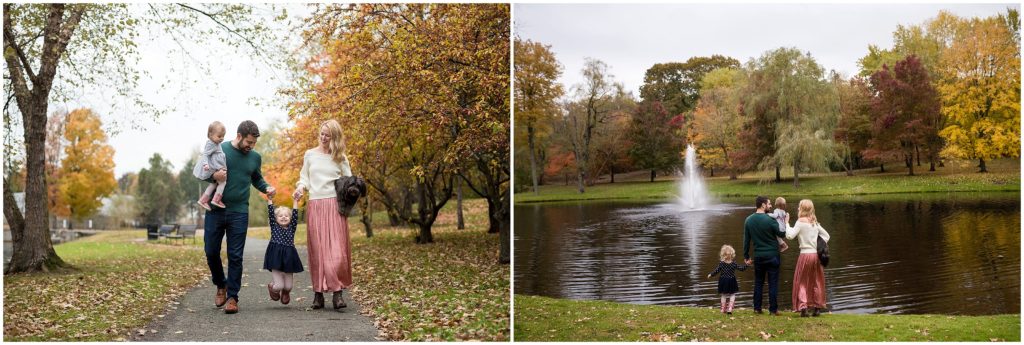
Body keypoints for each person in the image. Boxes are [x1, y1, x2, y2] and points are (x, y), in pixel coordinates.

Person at [203, 120, 276, 314]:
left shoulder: (255, 157)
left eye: (254, 144)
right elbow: (204, 169)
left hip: (239, 212)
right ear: (238, 136)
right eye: (249, 142)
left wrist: (266, 187)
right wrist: (213, 177)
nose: (251, 147)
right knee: (211, 251)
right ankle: (221, 284)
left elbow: (256, 178)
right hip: (215, 209)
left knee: (235, 256)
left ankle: (233, 297)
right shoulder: (220, 149)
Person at [293, 119, 354, 311]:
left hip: (335, 205)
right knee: (318, 251)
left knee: (337, 253)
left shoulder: (341, 157)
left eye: (328, 135)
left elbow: (349, 181)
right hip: (316, 205)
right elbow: (305, 177)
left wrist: (351, 192)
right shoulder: (309, 154)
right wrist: (301, 188)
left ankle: (338, 293)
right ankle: (318, 294)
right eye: (322, 133)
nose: (323, 137)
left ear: (335, 137)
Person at [784, 199, 831, 317]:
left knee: (802, 282)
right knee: (817, 281)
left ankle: (803, 308)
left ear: (802, 208)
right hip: (816, 255)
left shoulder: (800, 222)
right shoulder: (814, 222)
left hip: (805, 255)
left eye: (799, 206)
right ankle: (817, 309)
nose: (798, 208)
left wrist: (786, 223)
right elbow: (826, 236)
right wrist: (818, 243)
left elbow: (790, 235)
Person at [742, 195, 787, 315]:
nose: (771, 206)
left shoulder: (748, 220)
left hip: (758, 257)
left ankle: (757, 308)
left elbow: (746, 241)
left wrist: (746, 256)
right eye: (769, 204)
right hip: (772, 256)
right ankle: (773, 310)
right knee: (773, 283)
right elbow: (781, 234)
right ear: (763, 205)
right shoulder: (770, 220)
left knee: (758, 282)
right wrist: (785, 221)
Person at [263, 199, 303, 305]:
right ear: (276, 219)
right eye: (280, 216)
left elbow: (295, 215)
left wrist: (295, 201)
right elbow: (271, 213)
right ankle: (272, 287)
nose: (284, 217)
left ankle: (285, 293)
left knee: (288, 286)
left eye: (286, 216)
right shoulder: (274, 227)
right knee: (279, 286)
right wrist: (270, 200)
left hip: (289, 258)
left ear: (290, 218)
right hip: (275, 258)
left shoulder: (291, 228)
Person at [193, 121, 228, 210]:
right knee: (223, 182)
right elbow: (205, 154)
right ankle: (216, 199)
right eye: (219, 136)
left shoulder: (216, 143)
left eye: (223, 136)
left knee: (214, 183)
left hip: (216, 166)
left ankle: (203, 200)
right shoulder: (210, 144)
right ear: (210, 135)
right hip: (213, 167)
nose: (222, 138)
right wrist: (205, 164)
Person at [707, 244, 748, 315]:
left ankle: (723, 309)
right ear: (732, 254)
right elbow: (741, 269)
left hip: (723, 281)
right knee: (732, 294)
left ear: (723, 254)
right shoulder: (733, 264)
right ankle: (730, 308)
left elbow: (716, 271)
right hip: (731, 280)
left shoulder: (721, 263)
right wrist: (747, 264)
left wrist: (711, 274)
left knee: (723, 295)